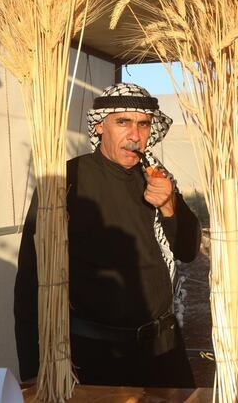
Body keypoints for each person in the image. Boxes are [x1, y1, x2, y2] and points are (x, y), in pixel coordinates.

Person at [14, 83, 200, 387]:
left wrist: (169, 204)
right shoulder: (66, 182)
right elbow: (30, 282)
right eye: (122, 122)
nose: (135, 135)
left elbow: (188, 251)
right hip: (96, 359)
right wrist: (34, 370)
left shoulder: (155, 175)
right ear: (100, 125)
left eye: (143, 124)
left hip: (163, 351)